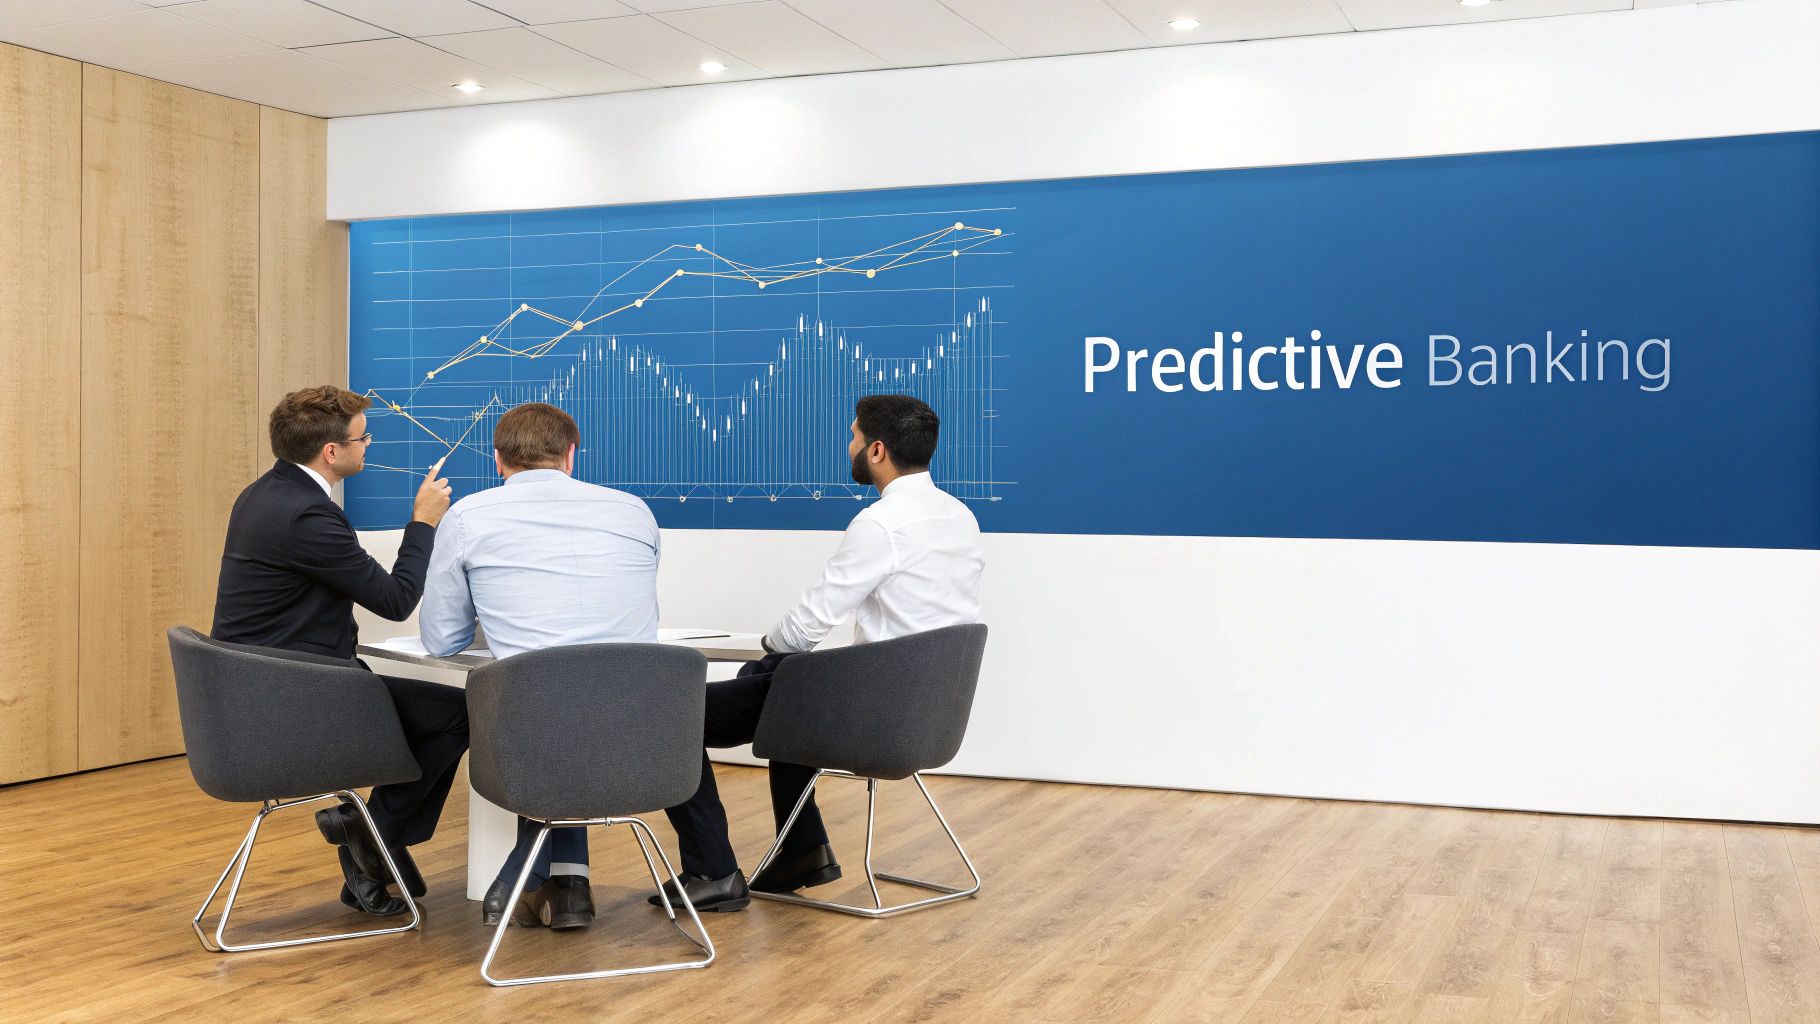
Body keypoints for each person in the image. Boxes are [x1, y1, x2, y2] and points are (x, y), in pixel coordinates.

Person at [656, 394, 984, 912]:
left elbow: (806, 625)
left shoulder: (881, 524)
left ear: (877, 450)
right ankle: (801, 852)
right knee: (786, 679)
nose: (849, 446)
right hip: (929, 714)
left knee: (671, 716)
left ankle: (712, 872)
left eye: (854, 436)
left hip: (872, 718)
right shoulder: (959, 516)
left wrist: (769, 648)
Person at [212, 384, 465, 918]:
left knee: (435, 710)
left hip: (263, 685)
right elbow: (396, 600)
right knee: (459, 713)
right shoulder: (307, 515)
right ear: (332, 451)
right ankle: (372, 837)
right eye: (362, 438)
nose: (368, 446)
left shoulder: (264, 494)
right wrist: (423, 521)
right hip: (296, 696)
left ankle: (372, 836)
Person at [418, 402, 662, 932]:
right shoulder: (634, 511)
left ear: (498, 460)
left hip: (536, 728)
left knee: (547, 696)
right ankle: (569, 886)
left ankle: (522, 877)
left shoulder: (468, 517)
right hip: (642, 728)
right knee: (575, 690)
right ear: (571, 456)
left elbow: (441, 639)